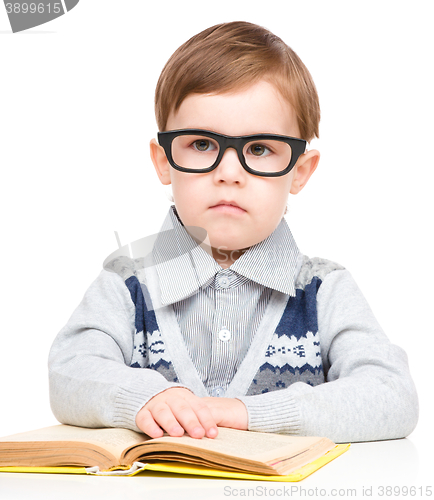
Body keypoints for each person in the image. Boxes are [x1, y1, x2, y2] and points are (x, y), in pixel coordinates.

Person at [48, 21, 418, 443]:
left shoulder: (324, 291)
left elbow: (392, 396)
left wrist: (249, 413)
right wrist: (146, 397)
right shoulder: (127, 285)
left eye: (259, 149)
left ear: (300, 171)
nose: (229, 173)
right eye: (202, 144)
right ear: (164, 159)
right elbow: (68, 372)